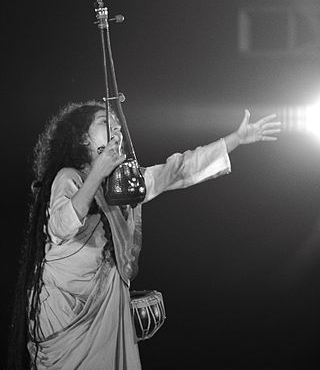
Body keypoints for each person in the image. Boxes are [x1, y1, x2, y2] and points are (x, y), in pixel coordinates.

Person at [7, 100, 281, 370]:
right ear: (83, 138)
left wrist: (237, 138)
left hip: (102, 311)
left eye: (117, 123)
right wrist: (98, 172)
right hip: (64, 313)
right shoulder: (69, 177)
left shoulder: (125, 184)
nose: (116, 128)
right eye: (105, 122)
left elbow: (179, 170)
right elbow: (60, 226)